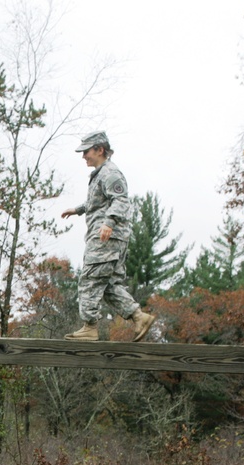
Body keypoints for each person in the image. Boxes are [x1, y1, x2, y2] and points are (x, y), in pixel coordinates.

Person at [61, 131, 155, 342]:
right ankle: (139, 317)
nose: (83, 156)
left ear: (100, 149)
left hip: (106, 238)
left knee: (90, 279)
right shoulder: (101, 173)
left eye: (87, 151)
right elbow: (98, 202)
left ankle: (89, 327)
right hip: (110, 237)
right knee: (109, 285)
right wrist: (77, 210)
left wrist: (108, 223)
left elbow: (120, 200)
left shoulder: (110, 173)